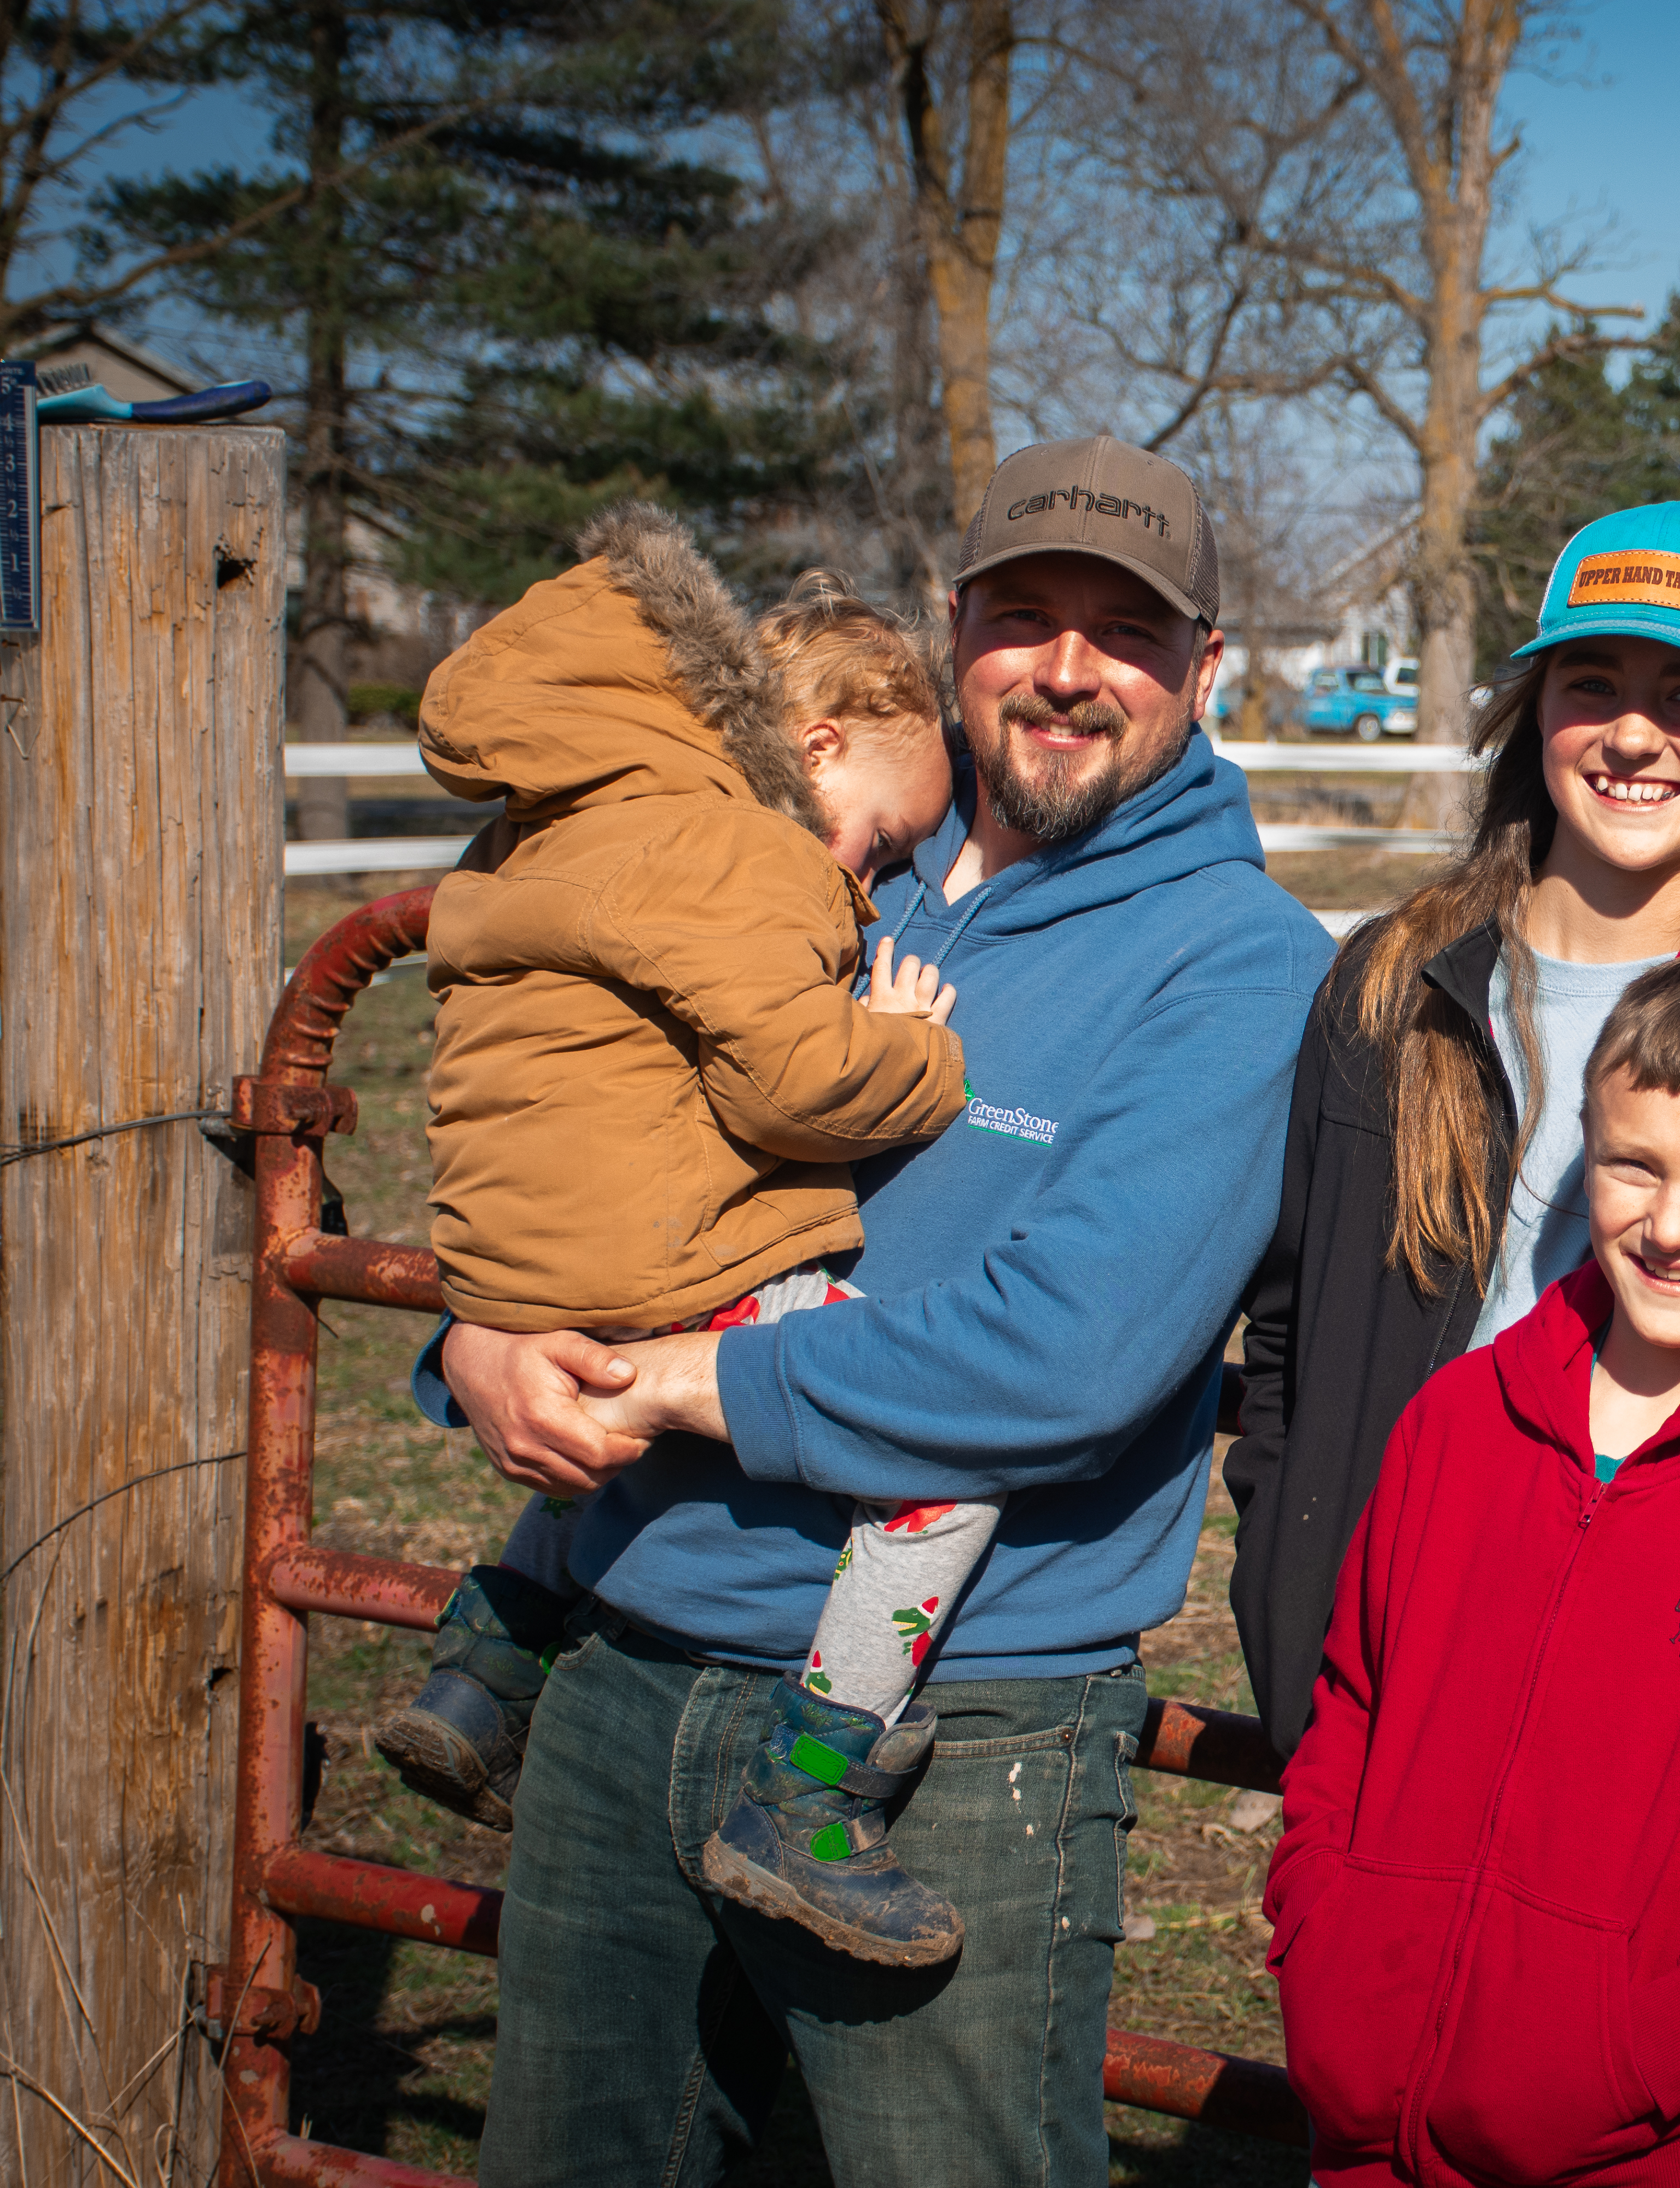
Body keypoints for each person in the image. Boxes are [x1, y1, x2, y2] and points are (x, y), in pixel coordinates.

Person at [424, 435, 1335, 2188]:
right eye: (1023, 615)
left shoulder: (1233, 963)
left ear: (1205, 669)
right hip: (629, 1657)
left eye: (1125, 631)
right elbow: (565, 1112)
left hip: (956, 1728)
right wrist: (475, 1337)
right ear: (950, 630)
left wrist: (687, 1382)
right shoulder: (811, 853)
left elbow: (1066, 1357)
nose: (1067, 669)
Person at [379, 524, 1001, 1969]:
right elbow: (788, 1084)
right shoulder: (748, 848)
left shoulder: (574, 801)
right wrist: (917, 1058)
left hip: (518, 1248)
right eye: (882, 837)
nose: (870, 879)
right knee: (942, 1468)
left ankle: (487, 1654)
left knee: (611, 1388)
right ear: (816, 742)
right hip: (657, 1248)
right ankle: (814, 1789)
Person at [1271, 952, 1680, 2186]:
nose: (1672, 1223)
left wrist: (1644, 2048)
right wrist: (1325, 1937)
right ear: (1589, 1151)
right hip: (1365, 2129)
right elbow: (1352, 1714)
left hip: (1635, 2143)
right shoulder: (1460, 1419)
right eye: (1637, 1164)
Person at [1226, 500, 1680, 1757]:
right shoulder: (1394, 983)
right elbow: (1293, 1332)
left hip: (1667, 1663)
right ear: (1535, 712)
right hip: (1395, 1642)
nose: (1633, 733)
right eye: (1593, 682)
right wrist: (1290, 1610)